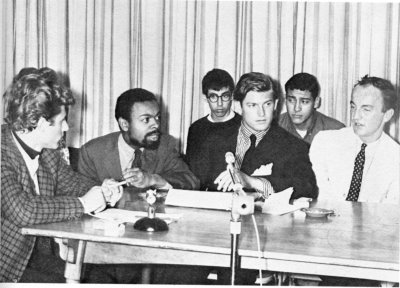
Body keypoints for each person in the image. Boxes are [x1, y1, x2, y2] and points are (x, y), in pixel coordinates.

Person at [1, 67, 121, 283]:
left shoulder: (48, 153)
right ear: (39, 122)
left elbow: (74, 184)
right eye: (61, 121)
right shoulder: (2, 153)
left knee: (104, 279)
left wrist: (104, 189)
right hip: (7, 267)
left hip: (31, 257)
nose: (66, 126)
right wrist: (83, 204)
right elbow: (21, 210)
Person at [77, 88, 200, 283]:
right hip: (108, 249)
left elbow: (192, 181)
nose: (156, 125)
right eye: (146, 120)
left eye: (157, 118)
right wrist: (104, 195)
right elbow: (81, 207)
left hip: (156, 245)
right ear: (124, 124)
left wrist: (154, 179)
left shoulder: (165, 145)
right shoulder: (93, 152)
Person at [193, 72, 318, 200]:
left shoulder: (295, 147)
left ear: (275, 105)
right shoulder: (213, 141)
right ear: (238, 106)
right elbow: (198, 186)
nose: (261, 113)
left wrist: (251, 181)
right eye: (252, 105)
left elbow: (306, 188)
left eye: (267, 104)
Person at [310, 75, 399, 204]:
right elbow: (317, 196)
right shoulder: (325, 143)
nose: (356, 116)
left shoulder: (396, 159)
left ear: (387, 115)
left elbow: (392, 214)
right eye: (353, 107)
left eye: (366, 109)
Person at [185, 68, 241, 170]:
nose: (219, 104)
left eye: (225, 96)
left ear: (232, 96)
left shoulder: (245, 126)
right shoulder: (196, 129)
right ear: (205, 98)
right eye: (213, 97)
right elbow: (190, 171)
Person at [279, 72, 345, 144]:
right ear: (285, 99)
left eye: (304, 101)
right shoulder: (273, 127)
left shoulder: (336, 131)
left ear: (316, 102)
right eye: (291, 100)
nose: (296, 108)